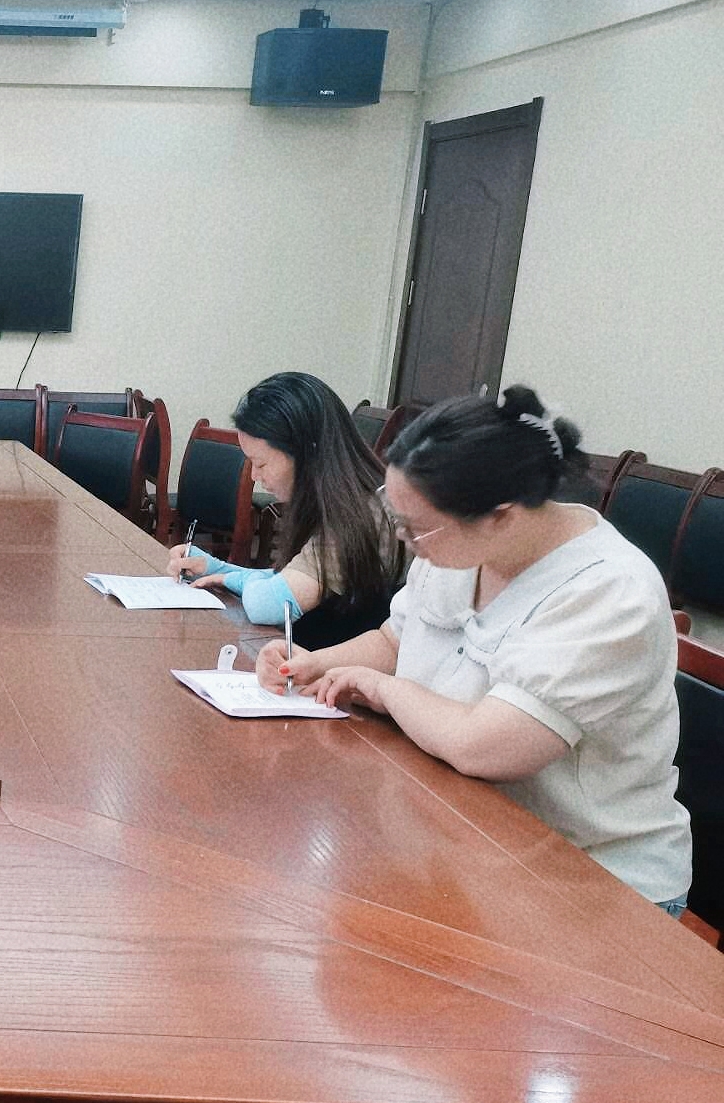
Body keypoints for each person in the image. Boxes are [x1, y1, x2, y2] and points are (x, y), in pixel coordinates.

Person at [258, 385, 691, 913]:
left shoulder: (610, 591)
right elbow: (395, 639)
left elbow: (481, 747)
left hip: (589, 882)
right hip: (461, 838)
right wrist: (314, 664)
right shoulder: (464, 548)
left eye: (416, 529)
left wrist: (381, 688)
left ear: (500, 515)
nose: (403, 539)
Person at [168, 372, 402, 647]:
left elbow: (270, 604)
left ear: (305, 452)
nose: (254, 476)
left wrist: (232, 579)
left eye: (261, 463)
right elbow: (291, 579)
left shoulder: (357, 515)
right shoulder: (347, 498)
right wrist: (217, 569)